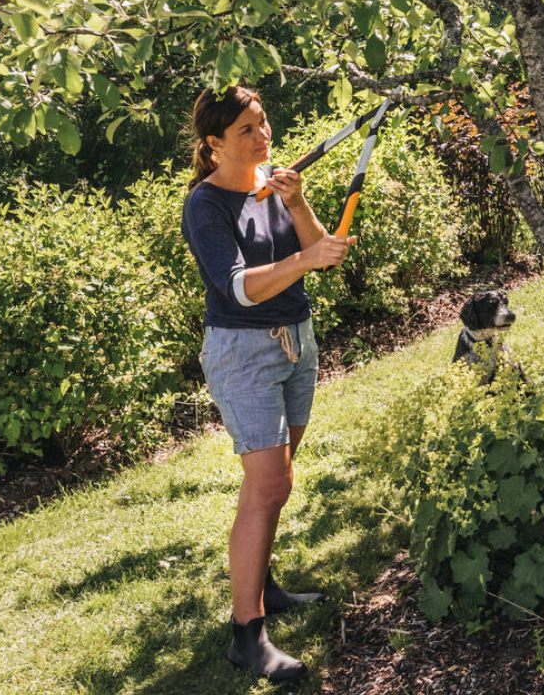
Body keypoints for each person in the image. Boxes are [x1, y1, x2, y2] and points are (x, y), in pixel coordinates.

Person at [181, 85, 356, 683]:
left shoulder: (270, 184)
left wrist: (300, 203)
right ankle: (246, 638)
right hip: (244, 351)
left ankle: (262, 586)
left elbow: (320, 252)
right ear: (213, 144)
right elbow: (237, 286)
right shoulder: (206, 206)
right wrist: (306, 262)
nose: (263, 138)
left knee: (277, 481)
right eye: (246, 131)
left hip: (296, 341)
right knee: (267, 486)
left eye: (263, 123)